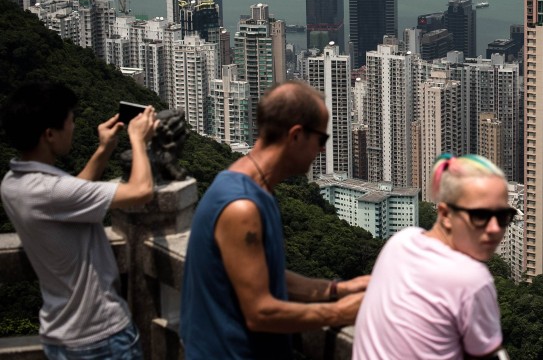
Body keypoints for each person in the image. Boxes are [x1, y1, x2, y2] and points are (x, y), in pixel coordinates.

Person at [180, 80, 369, 359]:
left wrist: (337, 289)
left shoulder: (247, 185)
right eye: (321, 139)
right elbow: (260, 312)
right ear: (295, 136)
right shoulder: (241, 207)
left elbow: (262, 275)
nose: (321, 151)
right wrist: (340, 311)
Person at [0, 82, 158, 360]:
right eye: (70, 122)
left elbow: (71, 195)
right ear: (49, 134)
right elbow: (142, 191)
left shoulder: (12, 184)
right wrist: (138, 141)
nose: (73, 127)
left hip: (59, 334)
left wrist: (104, 149)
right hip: (101, 336)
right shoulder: (51, 190)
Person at [353, 153, 514, 360]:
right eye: (480, 216)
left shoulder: (400, 241)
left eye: (503, 217)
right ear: (446, 214)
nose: (494, 229)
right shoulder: (472, 279)